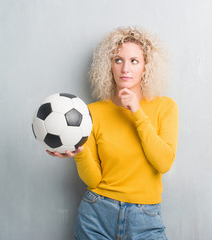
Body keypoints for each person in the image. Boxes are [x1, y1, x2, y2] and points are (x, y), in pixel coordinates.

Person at [47, 26, 178, 240]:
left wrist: (136, 111)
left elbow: (163, 162)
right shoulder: (92, 112)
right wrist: (80, 153)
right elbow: (94, 180)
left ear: (146, 66)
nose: (125, 68)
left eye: (134, 61)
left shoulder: (166, 107)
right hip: (97, 214)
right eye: (118, 60)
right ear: (109, 65)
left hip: (145, 218)